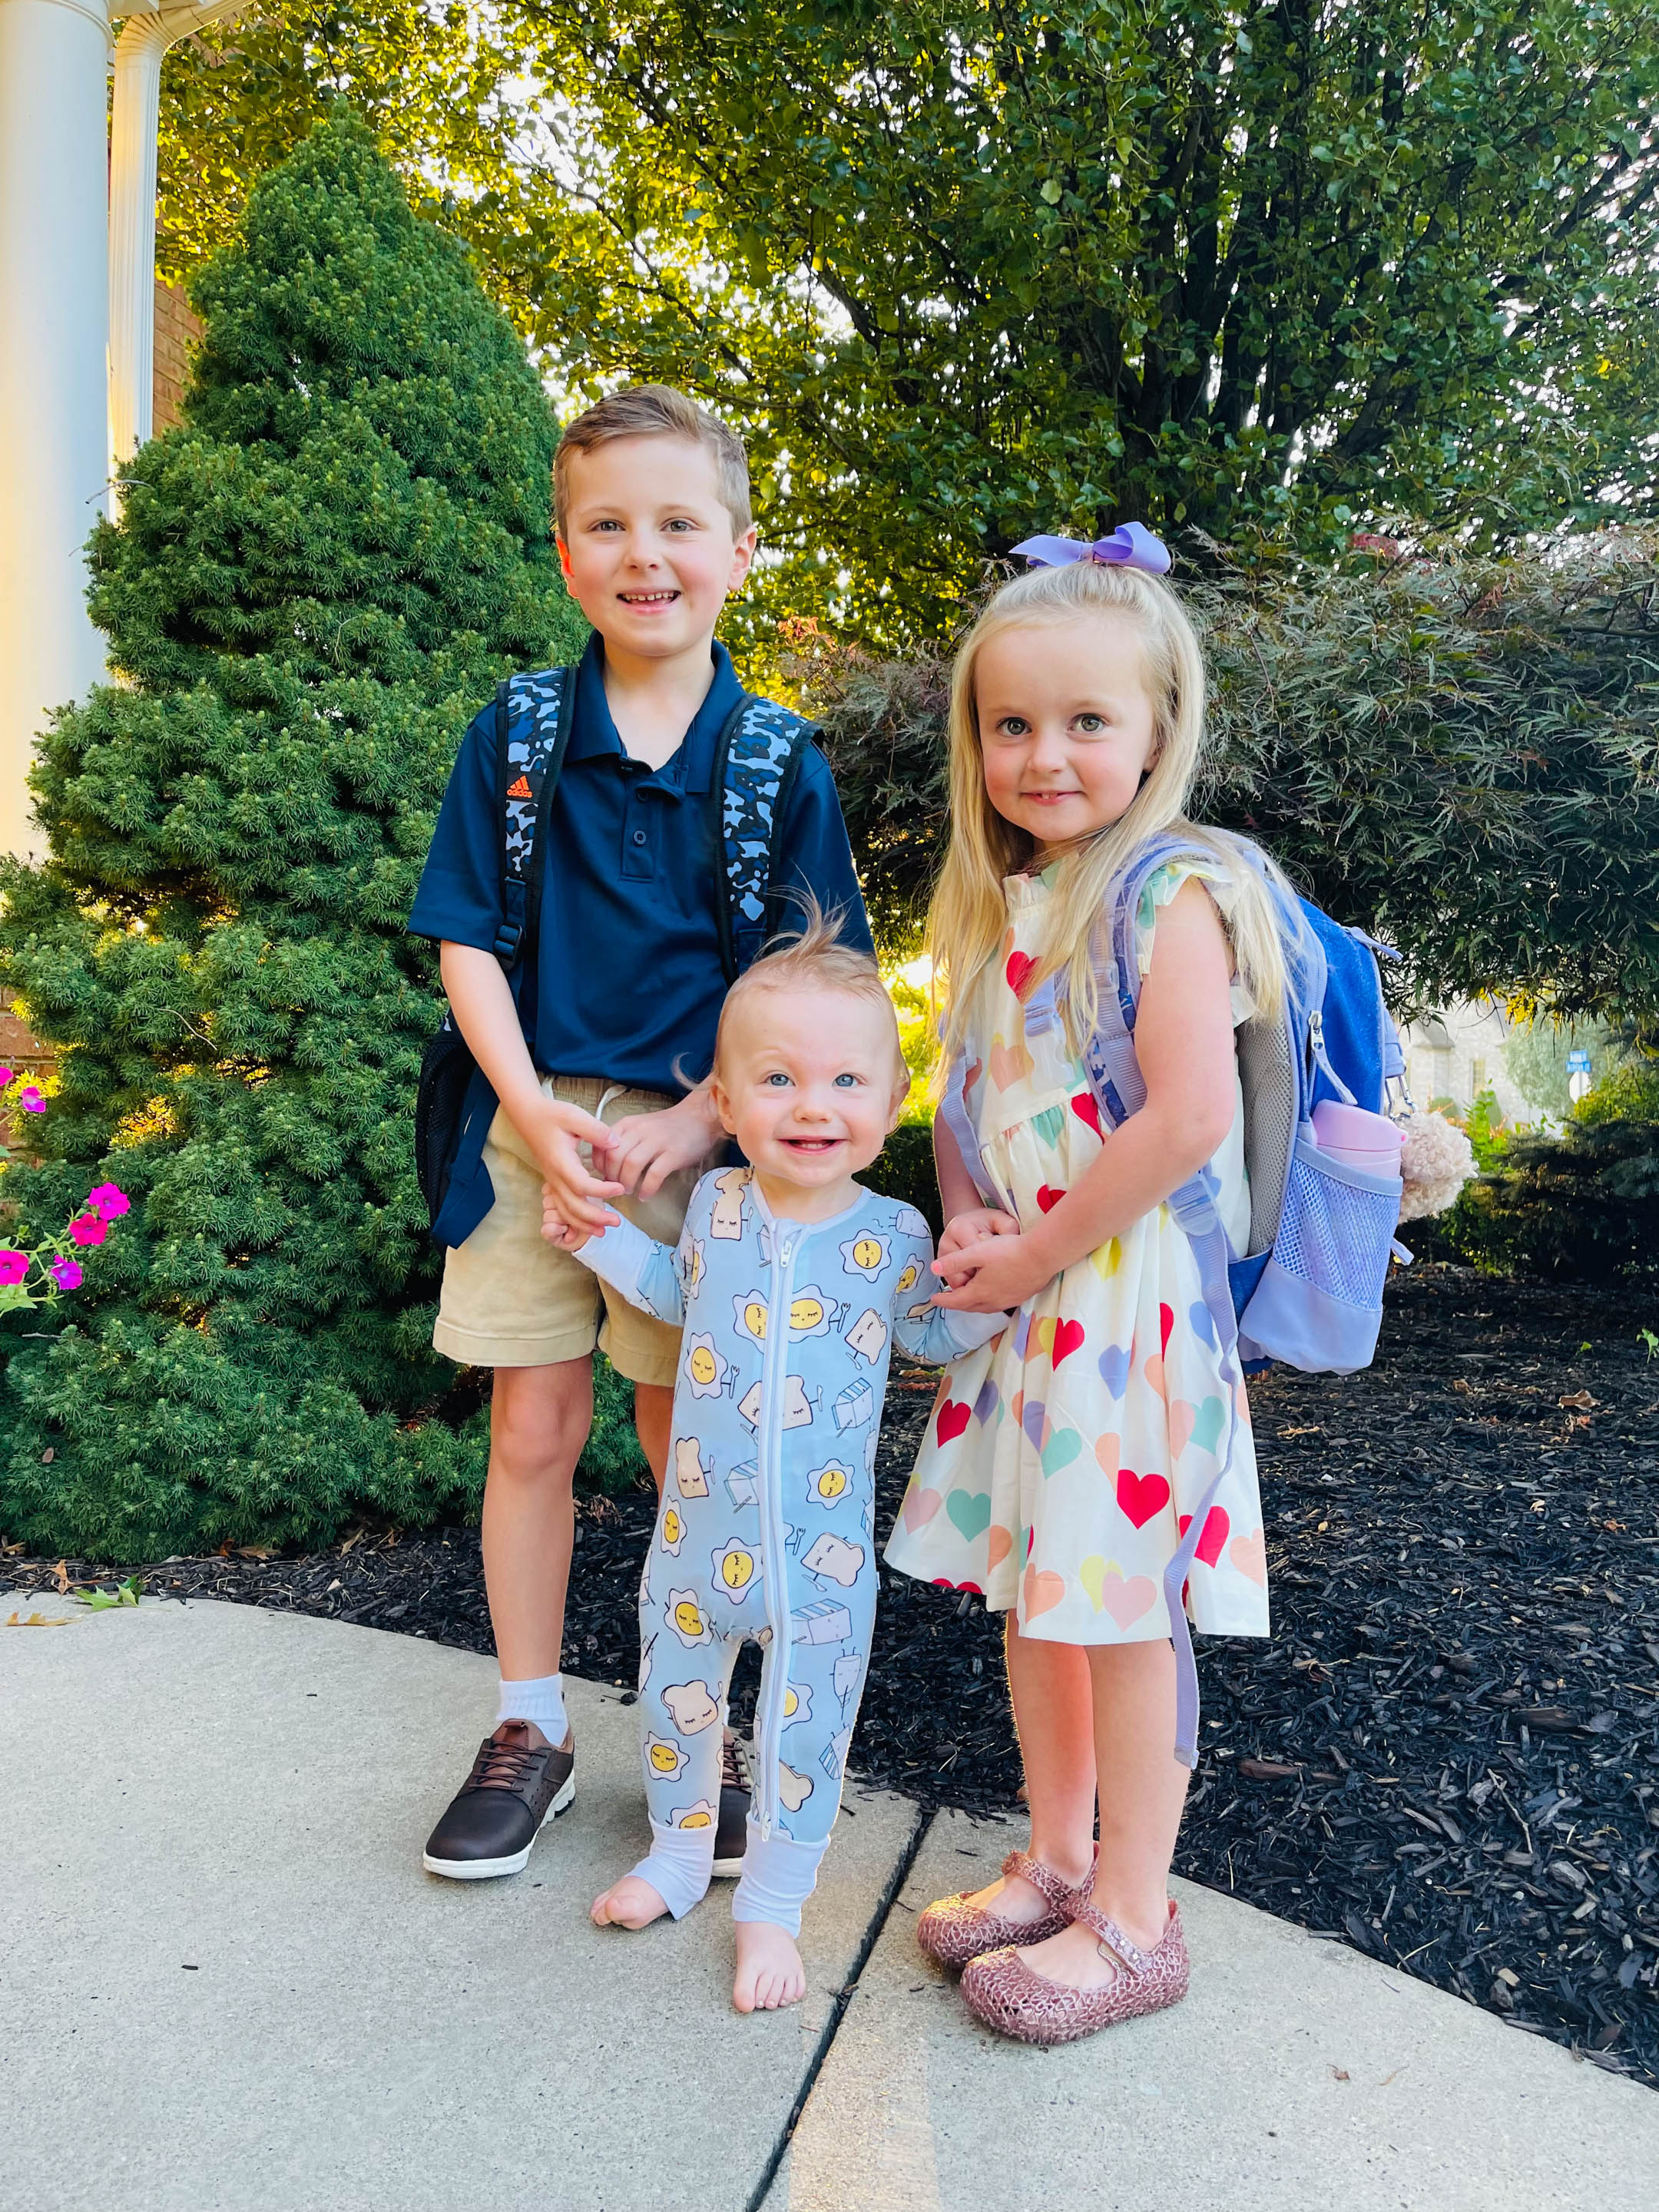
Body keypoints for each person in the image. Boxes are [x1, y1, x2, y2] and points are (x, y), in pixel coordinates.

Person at [409, 386, 870, 1883]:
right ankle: (529, 1724)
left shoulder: (775, 761)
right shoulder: (519, 735)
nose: (644, 553)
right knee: (532, 1430)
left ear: (739, 551)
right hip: (530, 1125)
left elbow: (812, 983)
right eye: (608, 525)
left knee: (696, 1448)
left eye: (679, 522)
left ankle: (699, 1724)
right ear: (565, 554)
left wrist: (696, 1119)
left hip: (705, 1154)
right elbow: (468, 940)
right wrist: (530, 1109)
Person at [885, 531, 1282, 2045]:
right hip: (1039, 1305)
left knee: (1121, 1610)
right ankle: (1057, 1861)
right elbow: (970, 1100)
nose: (1043, 755)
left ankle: (1136, 1912)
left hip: (1128, 1310)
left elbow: (1182, 1119)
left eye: (1086, 721)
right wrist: (971, 1217)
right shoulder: (1014, 901)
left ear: (1160, 731)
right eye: (1012, 724)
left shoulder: (1171, 892)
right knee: (1038, 1596)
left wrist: (1037, 1250)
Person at [545, 914, 1005, 2012]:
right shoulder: (716, 1203)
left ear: (890, 1102)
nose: (813, 1106)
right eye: (779, 1079)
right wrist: (599, 1238)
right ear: (726, 1099)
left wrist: (1005, 1289)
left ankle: (772, 1905)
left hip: (819, 1571)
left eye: (847, 1081)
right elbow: (675, 1295)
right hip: (691, 1550)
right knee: (675, 1706)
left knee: (803, 1736)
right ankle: (676, 1856)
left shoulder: (893, 1234)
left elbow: (930, 1337)